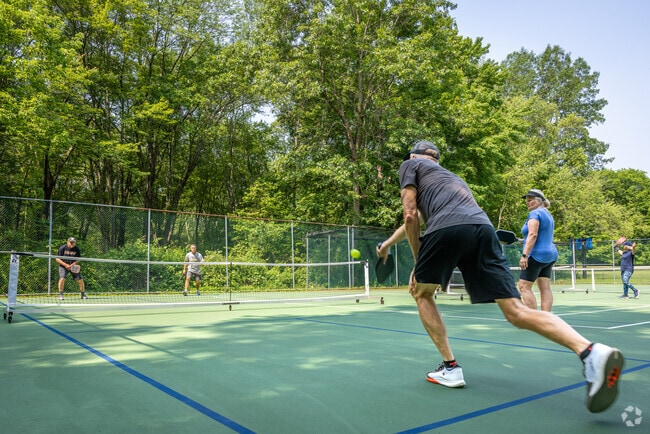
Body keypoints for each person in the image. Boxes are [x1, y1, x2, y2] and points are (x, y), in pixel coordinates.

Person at [379, 139, 623, 413]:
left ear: (414, 156)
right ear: (436, 159)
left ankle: (450, 368)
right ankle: (591, 351)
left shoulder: (410, 164)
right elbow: (417, 220)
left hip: (448, 229)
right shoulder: (449, 178)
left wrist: (419, 260)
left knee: (421, 293)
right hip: (482, 228)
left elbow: (410, 214)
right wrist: (388, 244)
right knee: (515, 311)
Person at [518, 189, 559, 312]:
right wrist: (524, 240)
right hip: (550, 255)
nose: (527, 203)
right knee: (544, 287)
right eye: (527, 201)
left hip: (536, 255)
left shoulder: (535, 214)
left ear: (539, 201)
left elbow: (533, 235)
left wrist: (524, 255)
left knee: (524, 286)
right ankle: (546, 318)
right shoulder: (547, 214)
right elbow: (539, 235)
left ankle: (533, 318)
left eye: (530, 200)